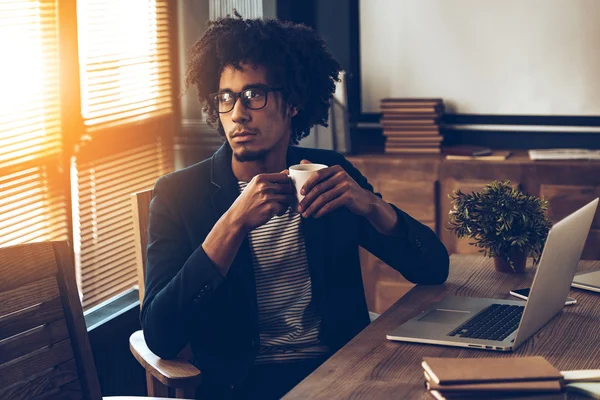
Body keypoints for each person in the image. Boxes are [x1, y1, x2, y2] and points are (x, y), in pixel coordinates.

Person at [141, 14, 449, 400]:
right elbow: (160, 335)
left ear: (293, 103)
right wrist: (233, 222)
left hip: (342, 374)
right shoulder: (178, 194)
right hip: (243, 386)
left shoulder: (328, 175)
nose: (238, 113)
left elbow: (433, 267)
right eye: (226, 97)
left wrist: (370, 205)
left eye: (254, 95)